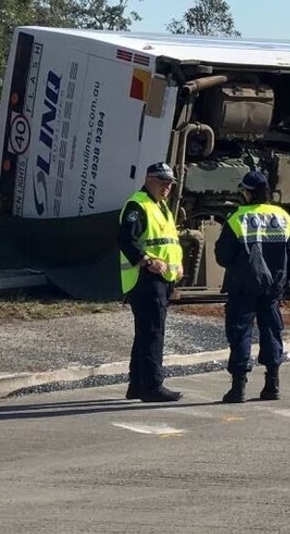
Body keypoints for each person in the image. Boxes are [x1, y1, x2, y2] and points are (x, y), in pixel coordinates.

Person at [215, 170, 290, 403]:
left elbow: (222, 255)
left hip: (243, 287)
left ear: (248, 192)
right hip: (273, 287)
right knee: (272, 332)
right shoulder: (283, 217)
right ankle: (272, 384)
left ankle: (238, 388)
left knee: (240, 334)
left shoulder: (237, 218)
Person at [117, 162, 185, 403]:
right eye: (163, 181)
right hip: (145, 278)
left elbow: (168, 241)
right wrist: (146, 261)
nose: (167, 186)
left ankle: (137, 385)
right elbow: (126, 239)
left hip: (162, 278)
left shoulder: (161, 205)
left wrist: (177, 264)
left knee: (146, 333)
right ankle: (152, 386)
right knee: (153, 333)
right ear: (149, 179)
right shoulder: (138, 204)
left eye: (170, 183)